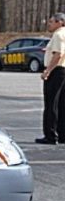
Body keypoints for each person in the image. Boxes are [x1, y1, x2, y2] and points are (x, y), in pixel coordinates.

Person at [37, 12, 65, 144]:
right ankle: (62, 134)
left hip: (56, 71)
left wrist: (48, 71)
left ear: (60, 22)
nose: (49, 24)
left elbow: (58, 54)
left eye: (51, 22)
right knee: (62, 103)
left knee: (51, 103)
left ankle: (50, 135)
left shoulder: (58, 35)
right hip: (63, 71)